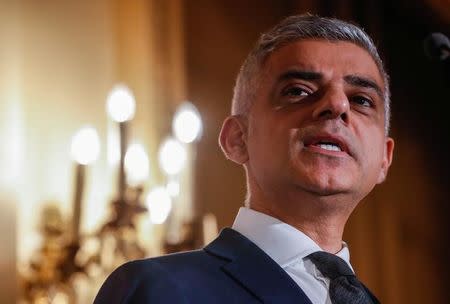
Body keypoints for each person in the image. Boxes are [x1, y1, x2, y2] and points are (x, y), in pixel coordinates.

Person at [94, 14, 394, 304]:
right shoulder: (160, 289)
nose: (337, 104)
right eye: (299, 91)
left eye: (361, 100)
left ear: (384, 157)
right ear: (237, 139)